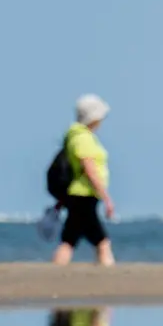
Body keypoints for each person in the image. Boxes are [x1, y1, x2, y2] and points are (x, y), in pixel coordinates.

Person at [53, 94, 118, 266]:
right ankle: (108, 273)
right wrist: (106, 198)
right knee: (100, 241)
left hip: (81, 196)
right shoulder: (82, 138)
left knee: (71, 239)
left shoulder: (78, 136)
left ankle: (56, 271)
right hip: (83, 194)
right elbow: (89, 169)